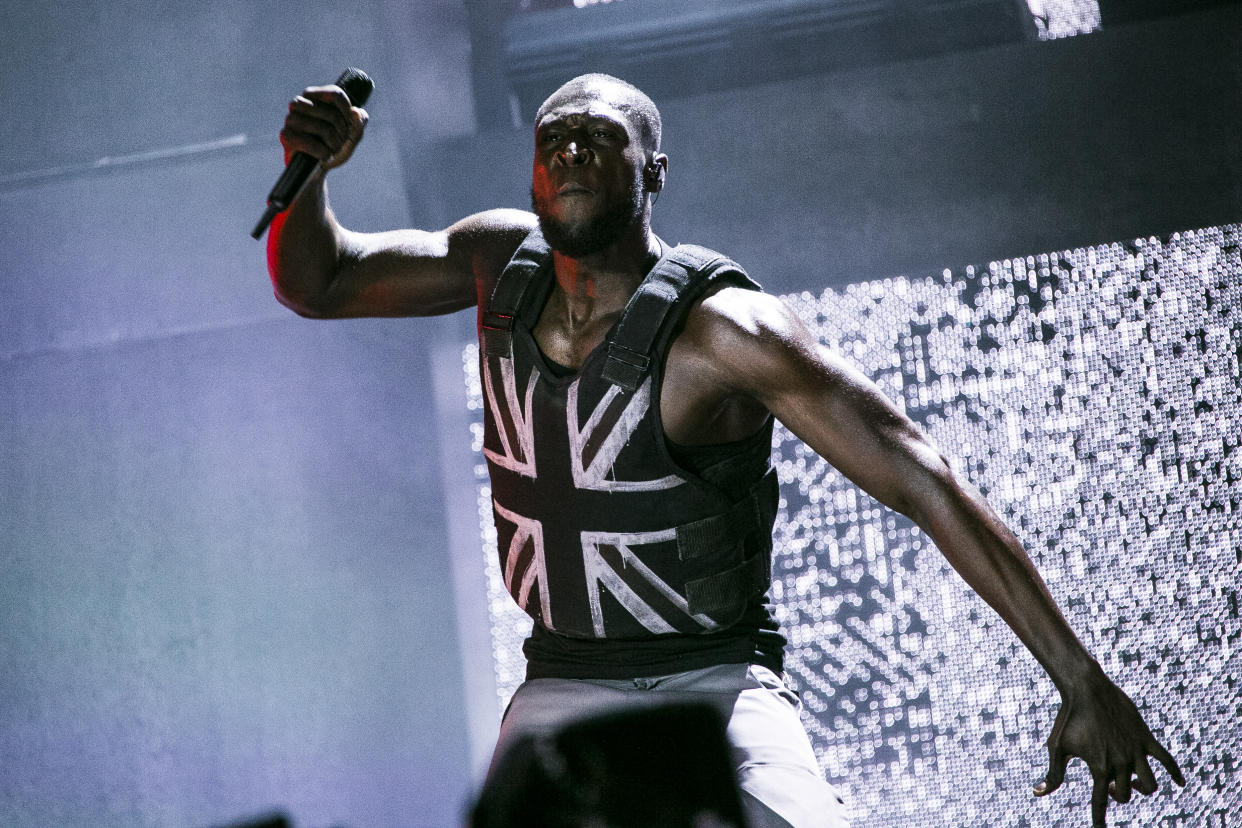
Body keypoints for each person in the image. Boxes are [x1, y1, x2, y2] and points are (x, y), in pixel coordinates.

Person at [267, 72, 1183, 827]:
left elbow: (918, 477)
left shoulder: (727, 331)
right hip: (564, 675)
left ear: (652, 168)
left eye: (597, 135)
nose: (570, 149)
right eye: (552, 138)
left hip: (718, 682)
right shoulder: (493, 264)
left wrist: (1078, 676)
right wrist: (307, 175)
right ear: (533, 175)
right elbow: (320, 281)